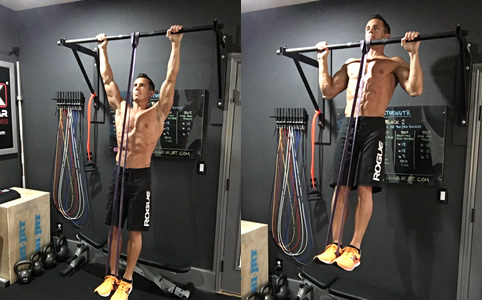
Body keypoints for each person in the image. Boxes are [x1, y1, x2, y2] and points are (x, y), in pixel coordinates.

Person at [313, 15, 423, 271]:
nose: (370, 31)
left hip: (373, 127)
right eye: (367, 28)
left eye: (376, 28)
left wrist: (413, 54)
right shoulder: (351, 64)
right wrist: (322, 60)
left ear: (386, 36)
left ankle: (354, 248)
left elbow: (415, 89)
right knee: (340, 187)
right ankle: (335, 245)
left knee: (364, 188)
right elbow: (328, 91)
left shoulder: (393, 63)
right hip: (348, 125)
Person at [93, 25, 183, 299]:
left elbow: (171, 78)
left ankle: (127, 280)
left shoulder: (158, 113)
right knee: (114, 228)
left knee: (135, 231)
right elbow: (107, 80)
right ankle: (110, 275)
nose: (135, 88)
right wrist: (103, 49)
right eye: (134, 84)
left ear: (151, 92)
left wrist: (175, 44)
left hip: (141, 177)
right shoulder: (120, 109)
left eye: (141, 85)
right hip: (119, 174)